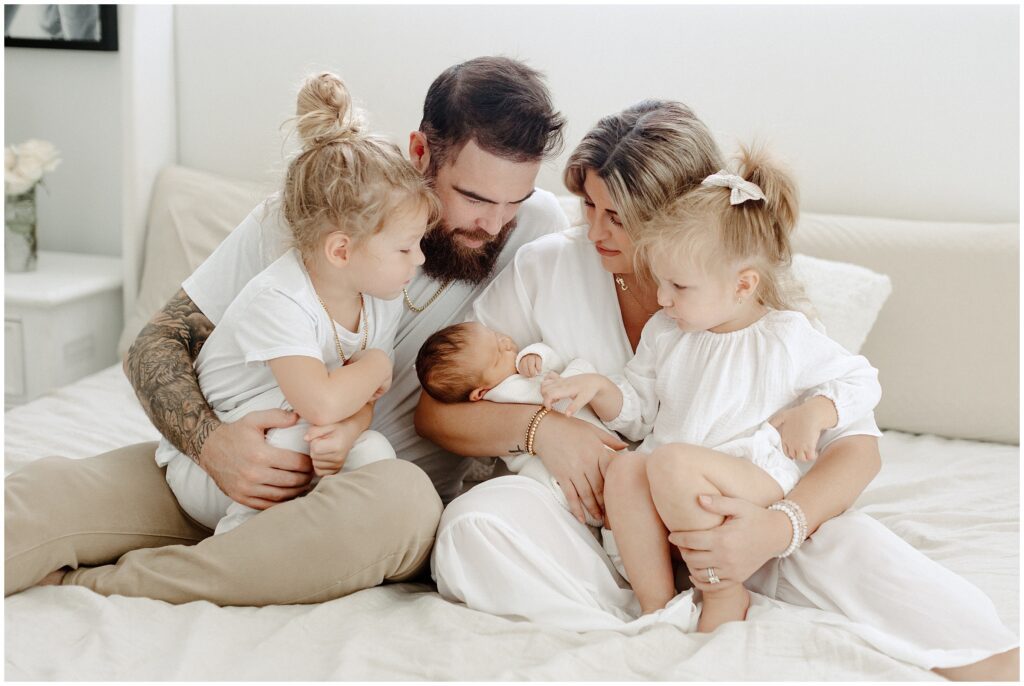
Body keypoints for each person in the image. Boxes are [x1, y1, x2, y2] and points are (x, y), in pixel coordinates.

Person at [420, 100, 1019, 678]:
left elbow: (856, 444)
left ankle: (717, 591)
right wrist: (542, 428)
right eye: (589, 206)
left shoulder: (750, 301)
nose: (597, 231)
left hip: (746, 516)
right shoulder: (550, 266)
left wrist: (777, 528)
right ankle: (654, 610)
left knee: (869, 561)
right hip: (610, 526)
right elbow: (437, 409)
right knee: (475, 530)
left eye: (620, 216)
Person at [5, 56, 568, 606]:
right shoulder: (319, 209)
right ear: (421, 151)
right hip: (219, 477)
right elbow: (155, 344)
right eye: (473, 198)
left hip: (355, 505)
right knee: (40, 501)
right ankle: (223, 559)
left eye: (513, 202)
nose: (493, 225)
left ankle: (120, 586)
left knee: (407, 502)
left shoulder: (541, 235)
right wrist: (212, 445)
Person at [538, 146, 882, 632]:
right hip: (671, 477)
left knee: (672, 460)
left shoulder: (784, 335)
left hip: (749, 476)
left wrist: (819, 411)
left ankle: (724, 592)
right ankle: (657, 605)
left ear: (742, 286)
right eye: (661, 283)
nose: (661, 298)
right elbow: (637, 410)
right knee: (625, 470)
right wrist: (598, 388)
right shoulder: (667, 332)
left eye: (679, 287)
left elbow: (860, 379)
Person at [157, 72, 440, 536]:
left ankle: (316, 539)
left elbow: (356, 406)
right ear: (342, 251)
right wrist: (374, 366)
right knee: (296, 437)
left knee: (374, 454)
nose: (420, 259)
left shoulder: (381, 297)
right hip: (219, 463)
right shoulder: (279, 297)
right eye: (406, 248)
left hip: (300, 433)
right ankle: (234, 542)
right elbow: (324, 400)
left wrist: (349, 432)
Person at [416, 321, 615, 526]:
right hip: (550, 480)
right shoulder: (496, 399)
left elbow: (555, 368)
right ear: (480, 393)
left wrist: (536, 354)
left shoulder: (522, 369)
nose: (507, 344)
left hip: (591, 447)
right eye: (497, 356)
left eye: (496, 336)